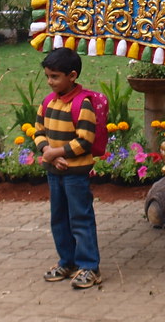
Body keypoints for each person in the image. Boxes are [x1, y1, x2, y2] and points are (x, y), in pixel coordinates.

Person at [34, 47, 102, 290]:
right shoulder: (47, 103)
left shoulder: (82, 104)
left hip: (75, 175)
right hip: (55, 172)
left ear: (72, 76)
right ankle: (67, 261)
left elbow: (85, 140)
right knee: (59, 218)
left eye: (55, 77)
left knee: (80, 218)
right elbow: (38, 132)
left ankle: (90, 267)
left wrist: (58, 152)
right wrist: (48, 154)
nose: (50, 81)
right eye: (48, 77)